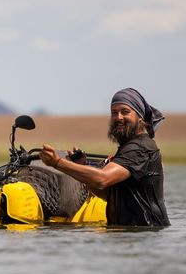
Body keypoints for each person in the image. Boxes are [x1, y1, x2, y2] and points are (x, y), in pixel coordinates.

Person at [39, 88, 170, 227]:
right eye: (114, 113)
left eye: (125, 112)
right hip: (128, 234)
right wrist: (82, 166)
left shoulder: (141, 148)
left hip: (146, 233)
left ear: (140, 118)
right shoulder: (127, 148)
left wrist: (57, 163)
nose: (119, 117)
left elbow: (102, 179)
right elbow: (107, 194)